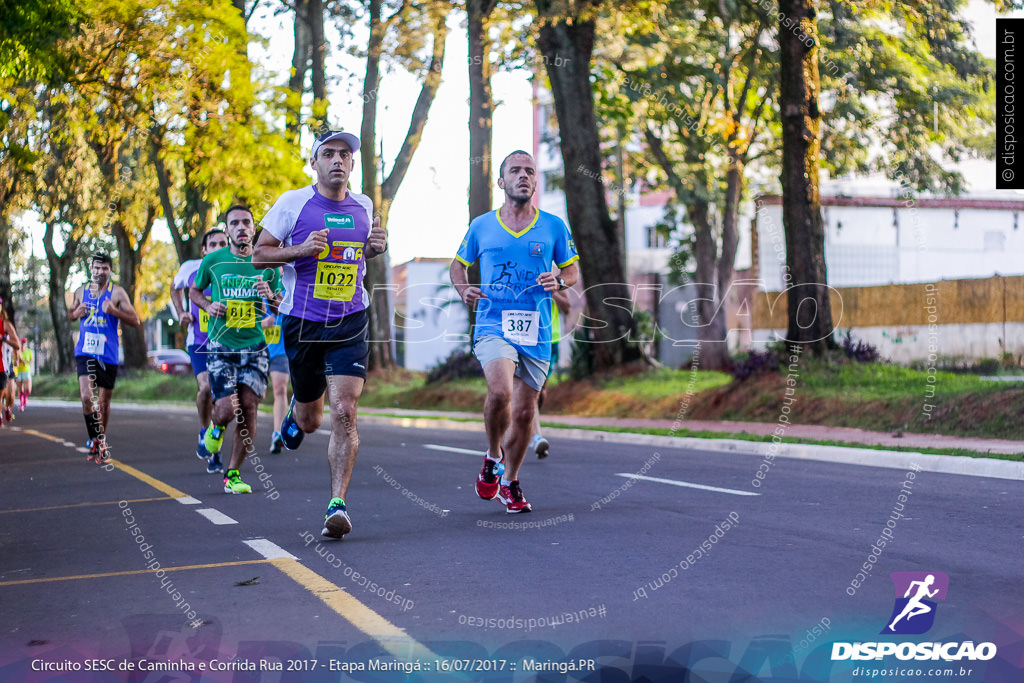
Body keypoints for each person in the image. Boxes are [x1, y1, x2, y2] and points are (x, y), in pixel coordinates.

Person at [253, 129, 387, 538]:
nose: (338, 161)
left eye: (345, 155)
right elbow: (260, 254)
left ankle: (337, 504)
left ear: (352, 164)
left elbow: (355, 254)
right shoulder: (292, 203)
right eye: (328, 154)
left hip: (350, 319)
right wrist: (300, 250)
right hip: (303, 323)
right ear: (314, 163)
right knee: (311, 421)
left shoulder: (364, 206)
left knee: (345, 410)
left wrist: (374, 248)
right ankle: (299, 407)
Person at [449, 150, 579, 513]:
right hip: (493, 323)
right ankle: (493, 456)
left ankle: (510, 480)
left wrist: (559, 279)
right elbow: (457, 267)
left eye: (530, 171)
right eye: (516, 171)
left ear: (536, 182)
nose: (524, 176)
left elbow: (572, 272)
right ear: (502, 181)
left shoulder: (553, 225)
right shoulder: (482, 225)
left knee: (524, 413)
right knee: (501, 390)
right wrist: (463, 290)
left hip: (535, 329)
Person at [190, 206, 282, 494]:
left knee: (250, 408)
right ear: (226, 229)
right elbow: (194, 291)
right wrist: (207, 305)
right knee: (228, 408)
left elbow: (280, 306)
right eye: (234, 223)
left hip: (255, 347)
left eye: (246, 222)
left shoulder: (267, 264)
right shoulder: (213, 261)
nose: (241, 227)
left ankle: (232, 475)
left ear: (253, 228)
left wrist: (272, 298)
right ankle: (215, 429)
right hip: (221, 346)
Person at [68, 252, 142, 463]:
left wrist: (114, 311)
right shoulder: (81, 291)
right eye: (96, 268)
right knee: (86, 397)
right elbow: (70, 314)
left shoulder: (117, 294)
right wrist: (76, 313)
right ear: (91, 269)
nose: (100, 272)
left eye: (104, 268)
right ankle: (95, 439)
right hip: (85, 352)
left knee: (104, 403)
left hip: (108, 354)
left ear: (110, 270)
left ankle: (100, 440)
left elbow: (136, 320)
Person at [171, 228, 229, 470]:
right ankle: (205, 430)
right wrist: (181, 312)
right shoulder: (191, 268)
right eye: (212, 245)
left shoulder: (237, 265)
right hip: (200, 342)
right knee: (205, 388)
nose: (217, 248)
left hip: (229, 342)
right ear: (204, 250)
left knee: (224, 400)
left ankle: (214, 441)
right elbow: (175, 287)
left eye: (222, 244)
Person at [526, 286, 570, 458]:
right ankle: (536, 436)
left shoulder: (556, 273)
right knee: (532, 390)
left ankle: (528, 422)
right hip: (527, 335)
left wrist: (553, 290)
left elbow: (566, 307)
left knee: (541, 391)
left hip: (551, 337)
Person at [261, 310, 289, 453]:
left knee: (280, 390)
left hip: (280, 351)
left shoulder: (287, 290)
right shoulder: (256, 290)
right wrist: (262, 324)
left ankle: (278, 433)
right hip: (257, 350)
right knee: (257, 395)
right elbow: (241, 324)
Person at [0, 306, 22, 427]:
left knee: (10, 394)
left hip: (8, 365)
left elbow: (17, 347)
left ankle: (8, 408)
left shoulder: (7, 327)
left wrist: (4, 339)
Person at [16, 337, 33, 411]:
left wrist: (27, 361)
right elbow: (15, 360)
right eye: (22, 343)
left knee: (28, 390)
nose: (23, 344)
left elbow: (31, 360)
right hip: (19, 371)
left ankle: (25, 398)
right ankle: (21, 404)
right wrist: (18, 362)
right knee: (20, 390)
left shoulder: (29, 351)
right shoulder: (18, 351)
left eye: (24, 343)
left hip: (26, 371)